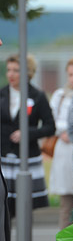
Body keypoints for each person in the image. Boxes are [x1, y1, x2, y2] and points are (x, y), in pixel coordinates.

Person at [1, 54, 55, 217]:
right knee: (4, 208)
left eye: (16, 70)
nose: (10, 74)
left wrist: (28, 133)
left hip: (27, 158)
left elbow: (50, 127)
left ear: (28, 73)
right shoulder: (1, 94)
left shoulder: (37, 96)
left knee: (24, 209)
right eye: (8, 70)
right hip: (4, 157)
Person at [48, 58, 73, 237]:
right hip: (64, 152)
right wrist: (61, 130)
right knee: (67, 204)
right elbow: (50, 120)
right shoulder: (60, 95)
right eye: (71, 75)